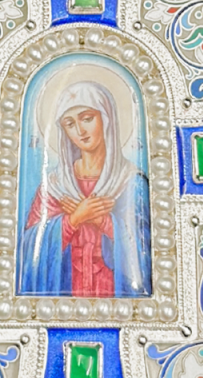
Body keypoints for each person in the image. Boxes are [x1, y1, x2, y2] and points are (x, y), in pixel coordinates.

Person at [18, 80, 152, 297]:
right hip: (64, 295)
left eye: (87, 119)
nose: (80, 131)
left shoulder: (130, 182)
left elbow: (146, 251)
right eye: (69, 124)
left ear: (106, 119)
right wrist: (74, 219)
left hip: (117, 297)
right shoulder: (54, 186)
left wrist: (101, 220)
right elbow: (29, 251)